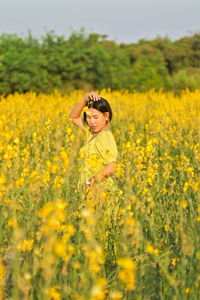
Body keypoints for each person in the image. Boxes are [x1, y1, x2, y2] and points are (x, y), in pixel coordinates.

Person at [69, 91, 119, 204]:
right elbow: (73, 117)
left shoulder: (105, 136)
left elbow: (111, 167)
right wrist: (85, 99)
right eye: (88, 117)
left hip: (99, 192)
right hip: (89, 191)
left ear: (106, 116)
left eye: (95, 117)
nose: (91, 122)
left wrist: (89, 183)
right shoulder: (92, 133)